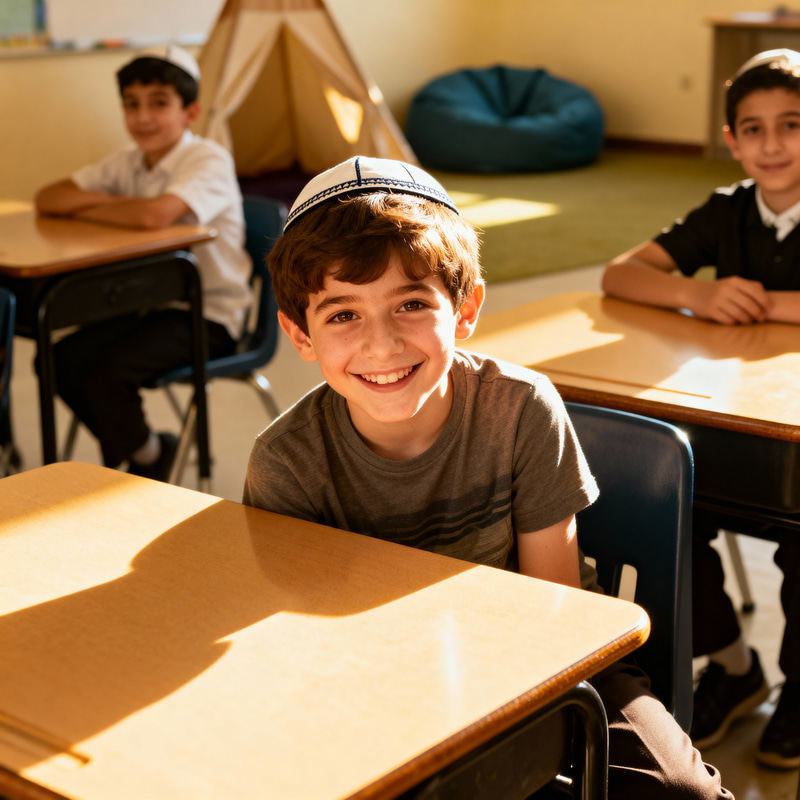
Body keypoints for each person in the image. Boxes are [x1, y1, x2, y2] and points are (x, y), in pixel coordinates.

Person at [243, 155, 733, 799]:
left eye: (411, 303)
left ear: (466, 309)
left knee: (681, 790)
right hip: (376, 685)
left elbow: (552, 612)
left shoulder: (522, 407)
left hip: (543, 660)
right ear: (298, 334)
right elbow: (303, 645)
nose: (382, 344)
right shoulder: (286, 461)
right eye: (342, 315)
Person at [602, 49, 800, 769]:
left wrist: (775, 304)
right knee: (662, 512)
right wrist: (700, 293)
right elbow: (621, 274)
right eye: (753, 129)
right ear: (732, 141)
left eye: (792, 125)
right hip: (729, 426)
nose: (772, 145)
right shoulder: (727, 210)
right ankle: (735, 665)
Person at [35, 45, 252, 481]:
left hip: (209, 316)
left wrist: (109, 206)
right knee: (55, 359)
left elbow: (154, 216)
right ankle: (150, 451)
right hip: (147, 306)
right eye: (131, 104)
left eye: (159, 103)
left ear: (191, 112)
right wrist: (120, 203)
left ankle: (141, 464)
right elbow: (49, 198)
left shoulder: (208, 158)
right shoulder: (129, 162)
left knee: (106, 376)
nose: (143, 117)